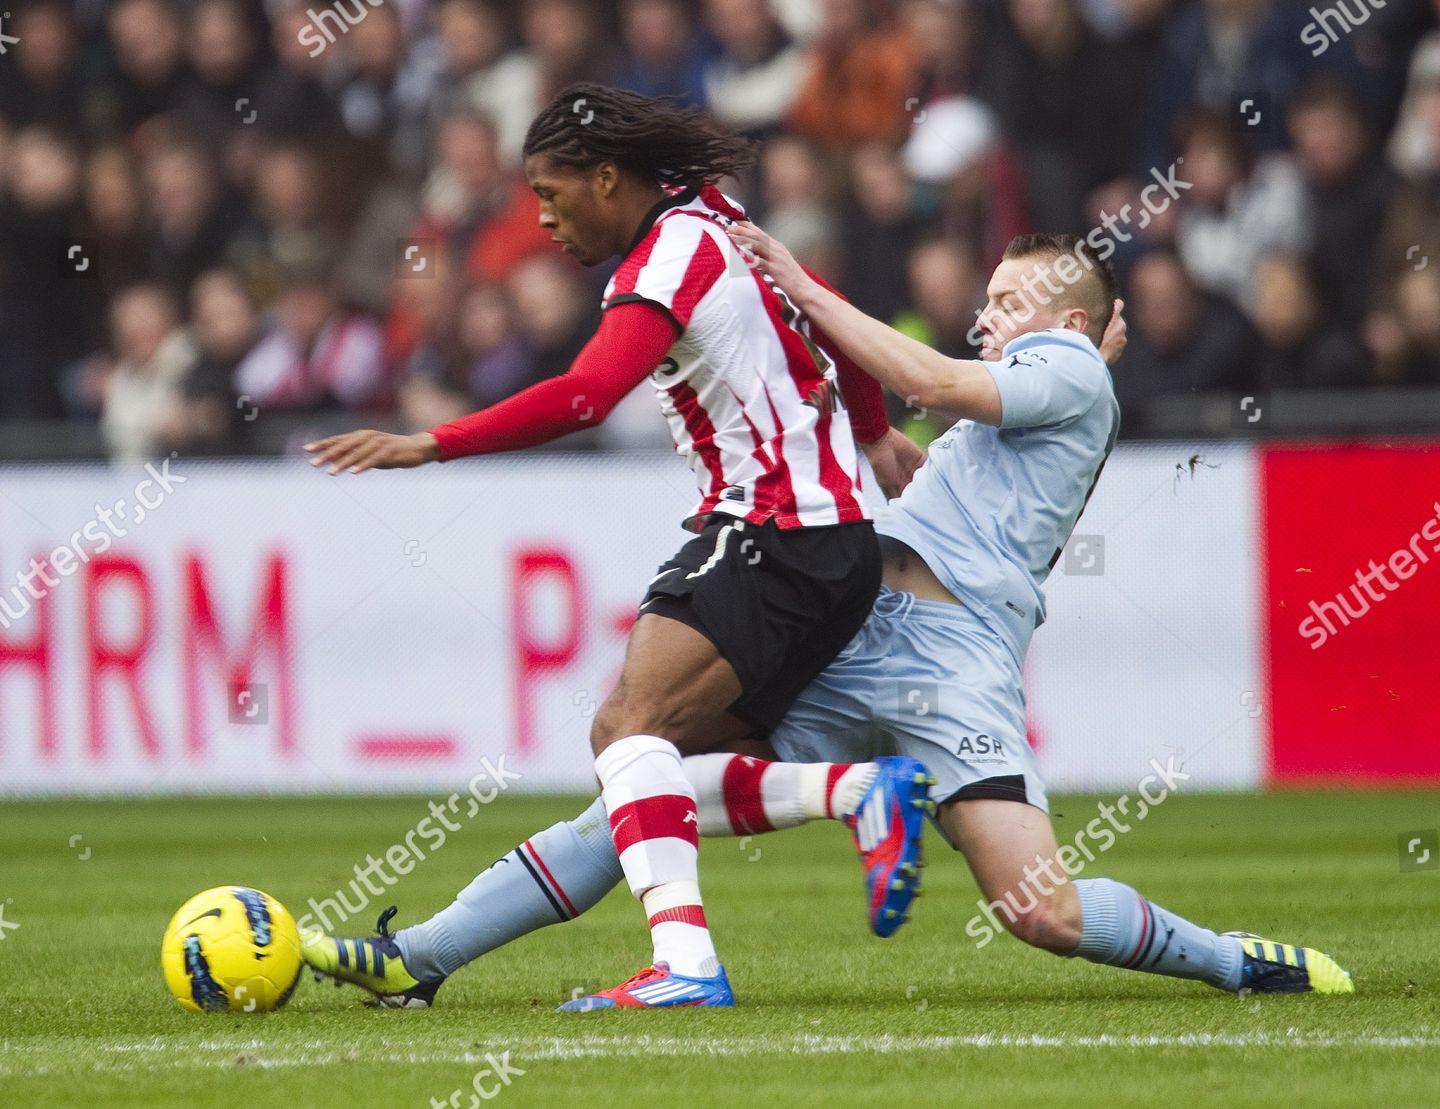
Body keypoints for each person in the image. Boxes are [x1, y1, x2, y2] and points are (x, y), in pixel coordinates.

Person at [301, 229, 1353, 1010]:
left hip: (955, 664)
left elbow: (931, 373)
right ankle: (423, 954)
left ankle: (1231, 958)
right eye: (984, 296)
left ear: (1071, 323)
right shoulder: (1030, 399)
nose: (986, 313)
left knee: (1043, 910)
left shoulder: (1068, 369)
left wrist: (801, 285)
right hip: (863, 636)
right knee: (641, 787)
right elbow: (906, 448)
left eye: (1007, 299)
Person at [303, 85, 914, 1010]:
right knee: (639, 791)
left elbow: (588, 394)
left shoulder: (662, 262)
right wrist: (870, 431)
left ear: (605, 178)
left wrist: (433, 442)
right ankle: (422, 956)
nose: (542, 219)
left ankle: (690, 964)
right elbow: (825, 309)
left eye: (552, 195)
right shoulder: (717, 214)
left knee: (625, 731)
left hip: (772, 531)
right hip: (833, 544)